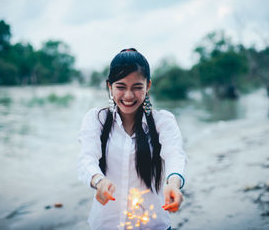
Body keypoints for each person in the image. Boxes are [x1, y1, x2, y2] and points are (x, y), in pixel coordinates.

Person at [77, 48, 187, 230]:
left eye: (137, 87)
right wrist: (99, 180)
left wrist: (173, 183)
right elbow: (86, 158)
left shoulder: (163, 121)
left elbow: (175, 154)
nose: (128, 96)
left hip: (153, 224)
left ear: (148, 86)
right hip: (106, 224)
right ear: (109, 86)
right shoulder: (96, 119)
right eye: (121, 87)